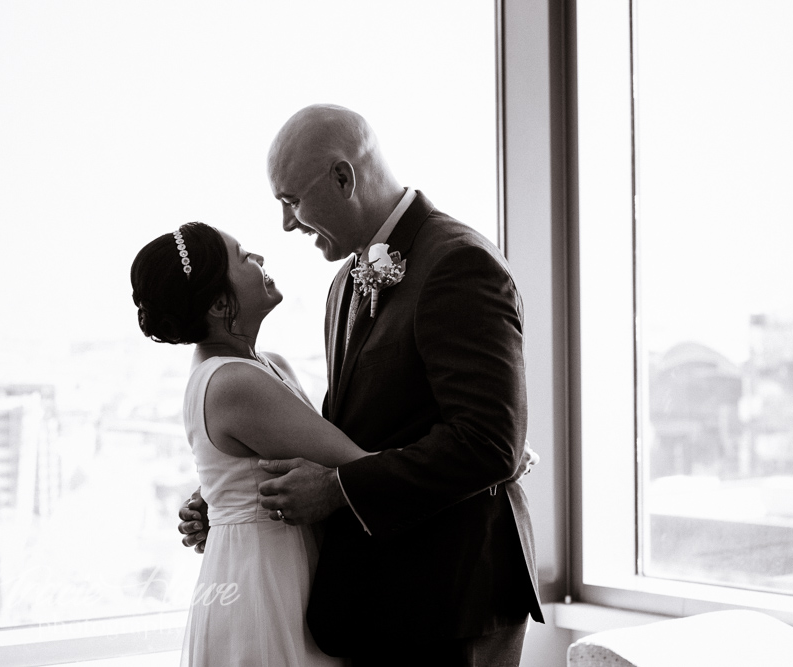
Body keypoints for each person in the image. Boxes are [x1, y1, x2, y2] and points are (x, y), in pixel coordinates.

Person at [180, 104, 543, 666]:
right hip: (388, 598)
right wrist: (234, 491)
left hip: (456, 599)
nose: (286, 224)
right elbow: (351, 426)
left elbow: (489, 443)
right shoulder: (344, 283)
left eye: (291, 200)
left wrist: (340, 487)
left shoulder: (459, 263)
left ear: (344, 178)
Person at [132, 222, 359, 667]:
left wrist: (211, 501)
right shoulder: (233, 382)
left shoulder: (265, 364)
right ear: (220, 304)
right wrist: (478, 458)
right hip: (265, 583)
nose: (258, 259)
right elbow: (355, 464)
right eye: (243, 257)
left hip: (284, 563)